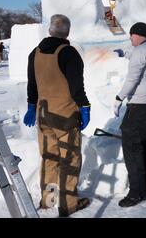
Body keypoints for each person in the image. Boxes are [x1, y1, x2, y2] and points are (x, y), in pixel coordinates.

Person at [23, 14, 91, 217]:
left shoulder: (35, 53)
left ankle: (48, 199)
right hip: (65, 117)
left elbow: (32, 84)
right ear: (67, 33)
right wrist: (85, 107)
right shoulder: (68, 53)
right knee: (69, 160)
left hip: (43, 116)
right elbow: (76, 86)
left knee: (49, 157)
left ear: (50, 31)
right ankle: (69, 204)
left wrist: (30, 105)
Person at [113, 22, 146, 208]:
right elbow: (140, 61)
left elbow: (133, 77)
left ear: (137, 35)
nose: (130, 38)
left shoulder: (141, 50)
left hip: (140, 109)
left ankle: (136, 193)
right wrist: (124, 53)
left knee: (133, 149)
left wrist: (119, 98)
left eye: (131, 35)